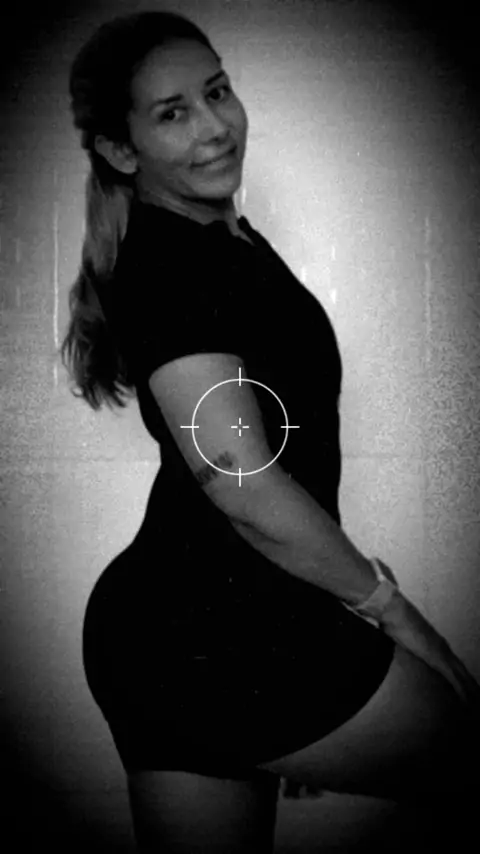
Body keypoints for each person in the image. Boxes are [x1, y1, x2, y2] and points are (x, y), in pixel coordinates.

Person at [60, 10, 480, 853]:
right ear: (120, 150)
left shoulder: (216, 240)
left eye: (217, 92)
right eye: (173, 113)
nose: (215, 126)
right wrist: (388, 610)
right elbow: (239, 481)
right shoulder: (176, 263)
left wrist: (286, 704)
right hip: (219, 634)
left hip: (189, 639)